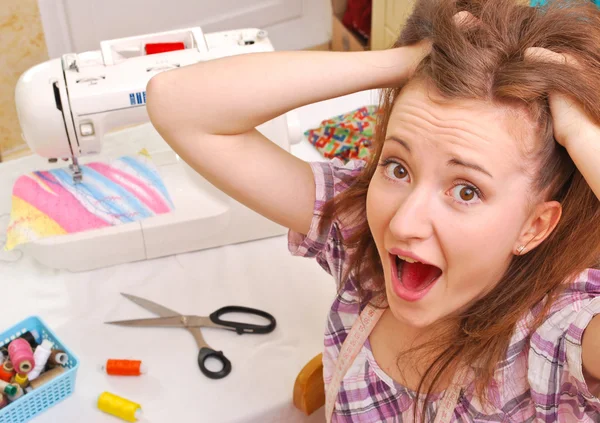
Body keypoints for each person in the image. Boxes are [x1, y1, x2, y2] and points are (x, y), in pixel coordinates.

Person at [145, 0, 600, 420]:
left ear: (534, 226)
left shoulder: (556, 335)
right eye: (398, 168)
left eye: (466, 191)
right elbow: (176, 103)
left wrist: (581, 132)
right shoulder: (357, 234)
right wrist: (402, 61)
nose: (402, 223)